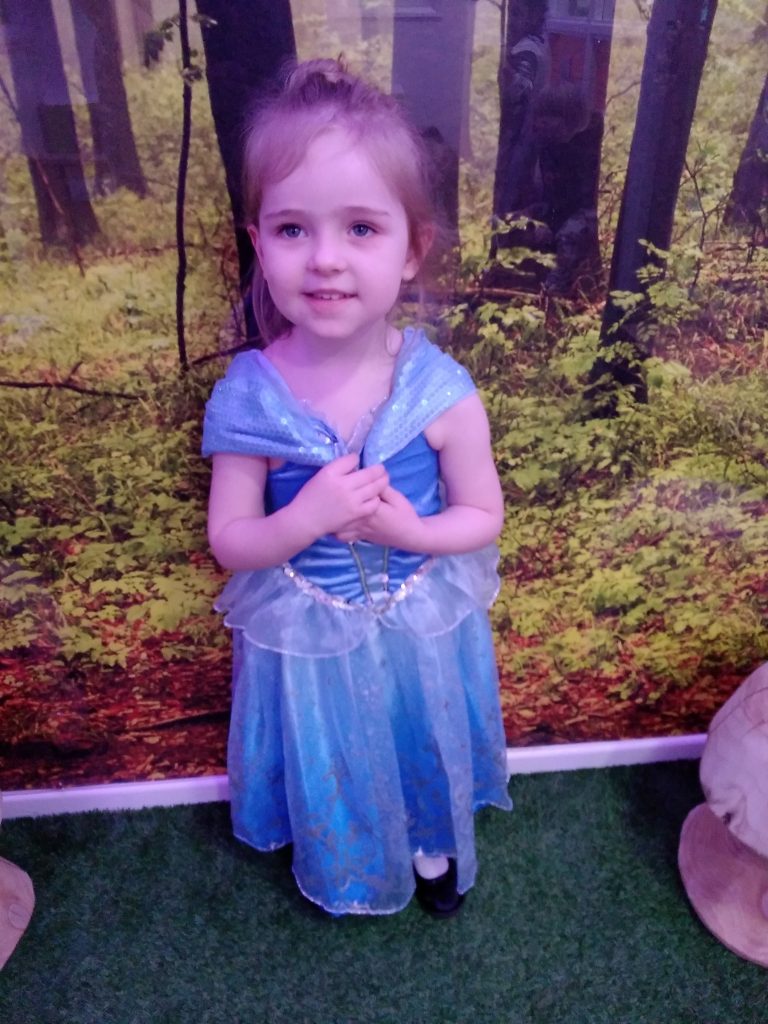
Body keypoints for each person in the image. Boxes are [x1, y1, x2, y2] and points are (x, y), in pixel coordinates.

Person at [202, 58, 512, 917]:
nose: (326, 260)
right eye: (292, 229)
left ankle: (428, 841)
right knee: (333, 743)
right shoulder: (250, 398)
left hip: (418, 622)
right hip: (310, 628)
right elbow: (231, 539)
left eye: (362, 228)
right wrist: (304, 518)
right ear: (258, 242)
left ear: (412, 250)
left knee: (415, 729)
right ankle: (340, 847)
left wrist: (415, 535)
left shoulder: (439, 391)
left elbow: (483, 514)